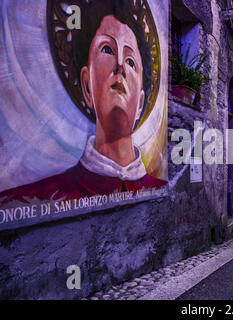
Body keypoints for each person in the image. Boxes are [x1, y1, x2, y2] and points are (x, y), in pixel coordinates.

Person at [0, 1, 166, 206]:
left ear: (141, 103)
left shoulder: (162, 192)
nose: (120, 65)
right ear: (87, 86)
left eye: (131, 61)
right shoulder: (31, 200)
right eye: (107, 49)